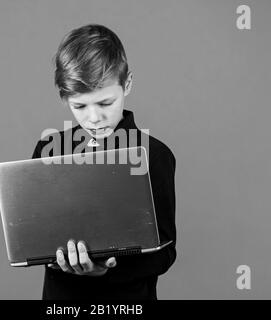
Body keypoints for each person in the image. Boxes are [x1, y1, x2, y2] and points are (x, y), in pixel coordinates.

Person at [31, 24, 176, 300]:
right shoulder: (48, 151)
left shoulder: (153, 155)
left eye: (106, 103)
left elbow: (166, 252)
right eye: (80, 106)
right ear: (64, 97)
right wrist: (53, 257)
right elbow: (35, 236)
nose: (94, 118)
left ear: (127, 84)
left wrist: (105, 269)